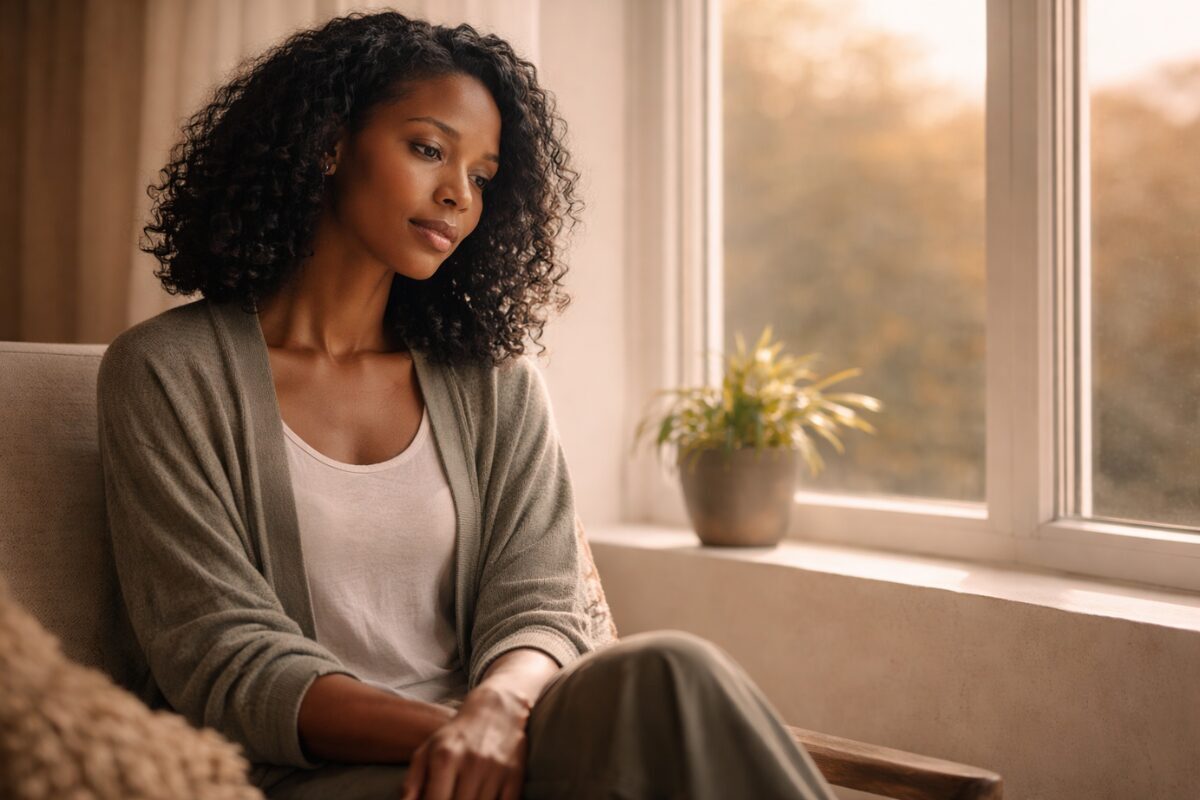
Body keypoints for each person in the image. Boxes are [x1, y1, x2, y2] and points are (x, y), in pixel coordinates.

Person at [96, 10, 839, 800]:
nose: (457, 195)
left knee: (673, 667)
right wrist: (459, 735)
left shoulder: (493, 380)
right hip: (324, 774)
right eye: (428, 149)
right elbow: (223, 657)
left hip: (504, 732)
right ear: (328, 142)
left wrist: (498, 712)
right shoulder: (166, 374)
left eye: (482, 177)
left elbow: (542, 604)